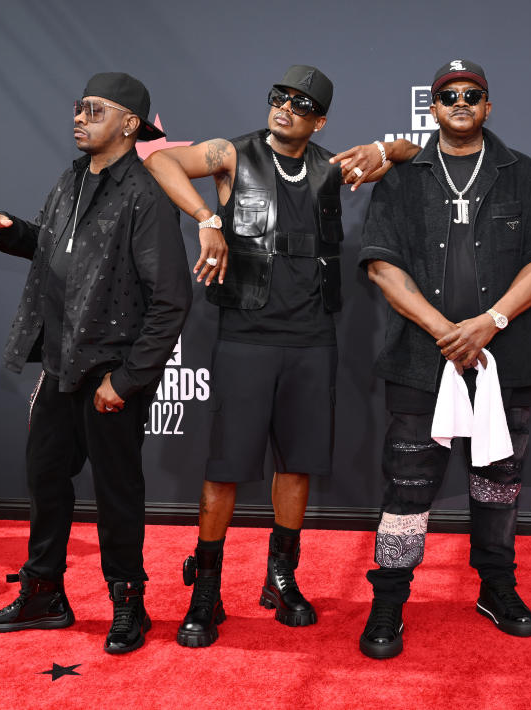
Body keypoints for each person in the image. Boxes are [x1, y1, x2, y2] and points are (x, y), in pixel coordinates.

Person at [144, 65, 417, 647]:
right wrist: (207, 218)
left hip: (313, 336)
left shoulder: (332, 165)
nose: (286, 108)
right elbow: (159, 161)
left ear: (319, 120)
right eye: (279, 97)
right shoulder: (231, 154)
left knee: (295, 465)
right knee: (225, 468)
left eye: (301, 103)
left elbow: (412, 151)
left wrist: (381, 145)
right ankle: (206, 589)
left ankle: (280, 578)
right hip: (246, 332)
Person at [0, 72, 192, 655]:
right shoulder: (71, 178)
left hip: (110, 368)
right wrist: (13, 234)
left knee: (117, 489)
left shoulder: (147, 194)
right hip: (61, 361)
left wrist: (129, 378)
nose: (79, 116)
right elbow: (61, 249)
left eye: (94, 109)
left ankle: (129, 605)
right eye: (78, 107)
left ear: (129, 123)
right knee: (45, 477)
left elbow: (171, 299)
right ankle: (44, 594)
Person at [357, 59, 531, 659]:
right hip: (419, 363)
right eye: (447, 94)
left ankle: (497, 588)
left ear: (487, 105)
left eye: (470, 94)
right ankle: (390, 598)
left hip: (508, 360)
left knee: (499, 486)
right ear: (432, 106)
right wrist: (444, 330)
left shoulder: (520, 173)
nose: (459, 101)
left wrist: (489, 322)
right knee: (406, 489)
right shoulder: (401, 180)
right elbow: (381, 266)